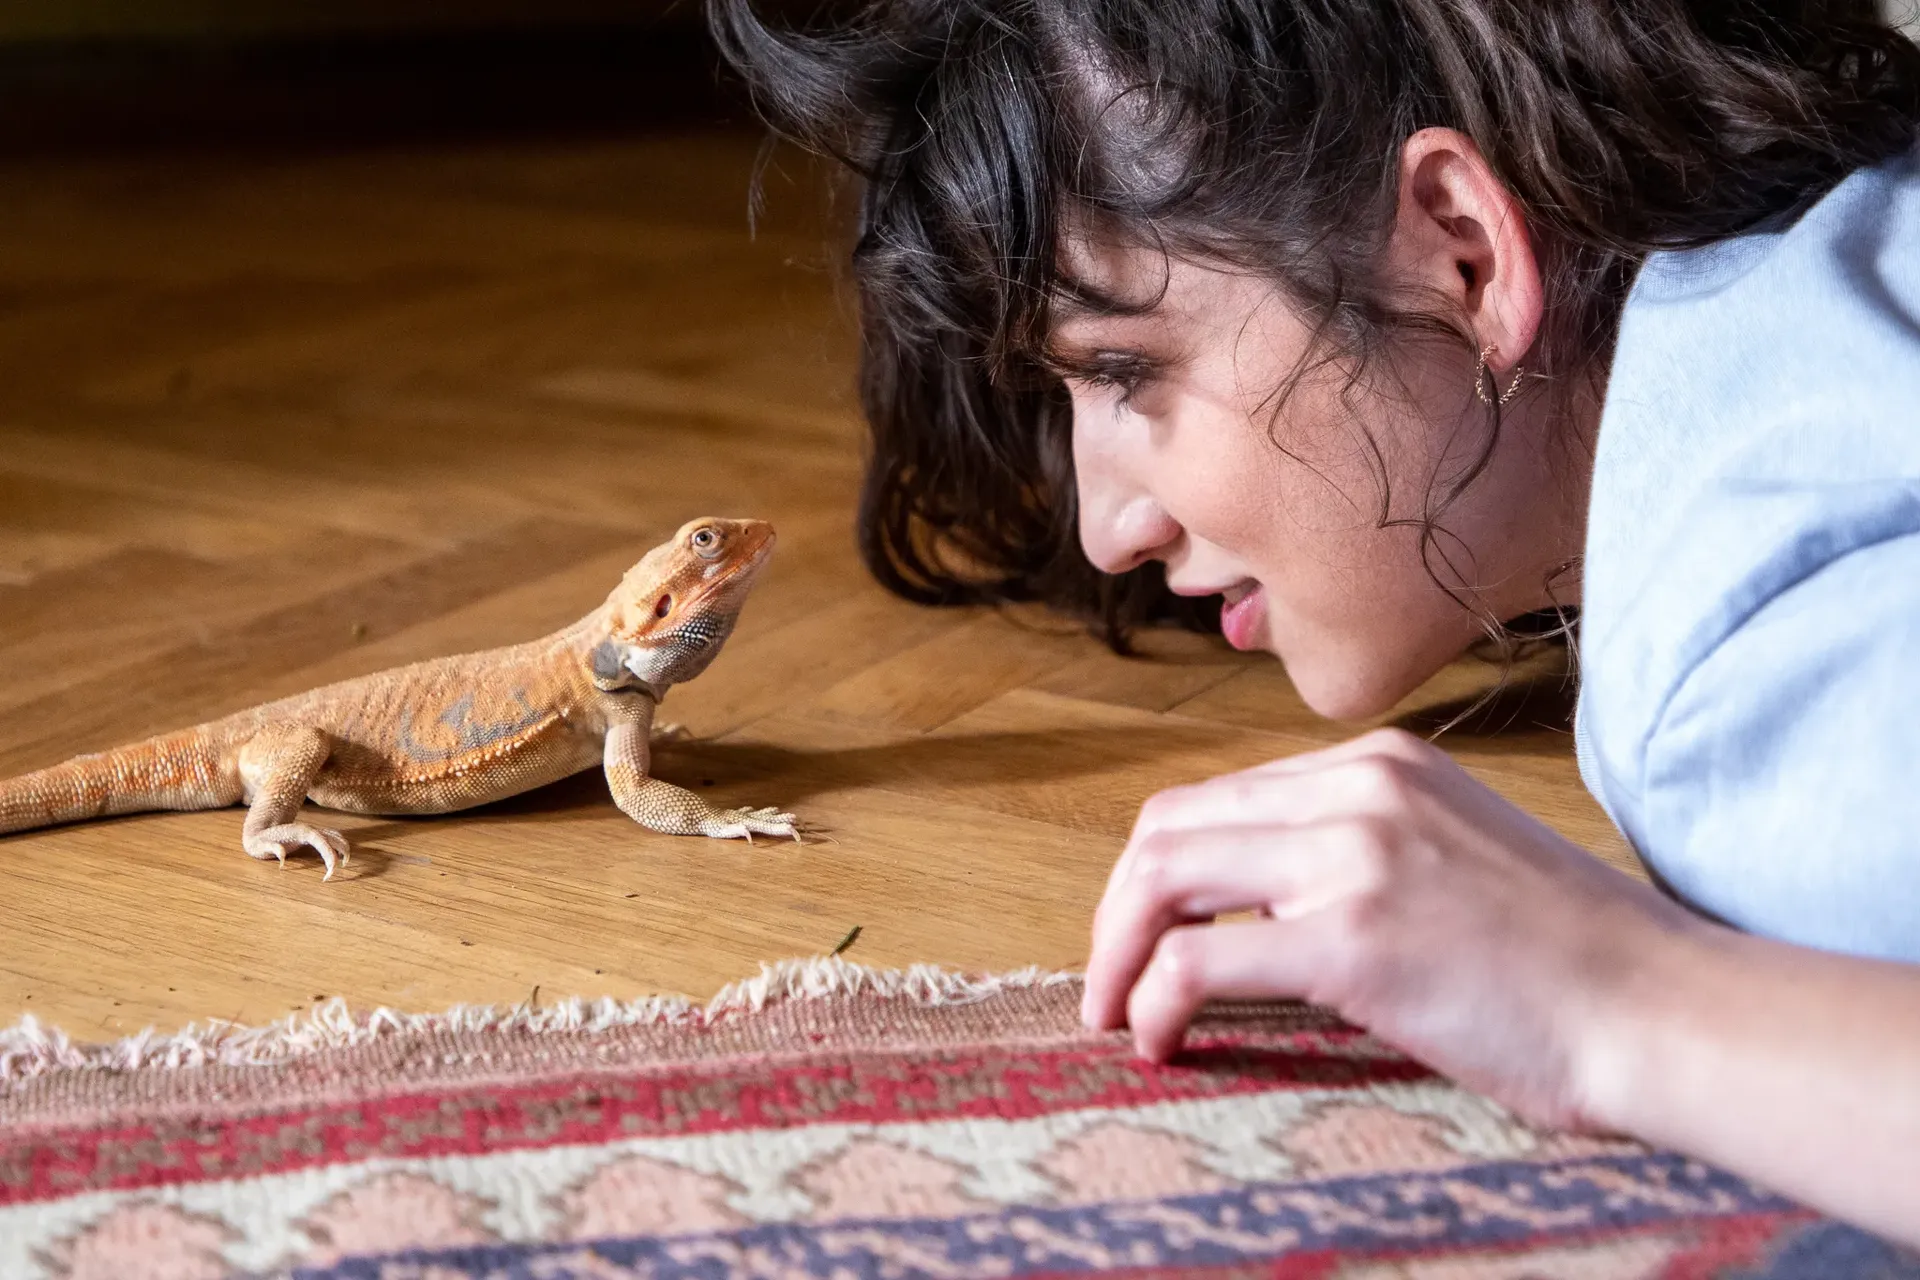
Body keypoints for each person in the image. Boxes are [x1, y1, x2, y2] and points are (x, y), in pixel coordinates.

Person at [707, 0, 1920, 1243]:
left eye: (1127, 372)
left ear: (1462, 253)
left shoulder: (1741, 674)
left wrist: (1613, 995)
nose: (1106, 531)